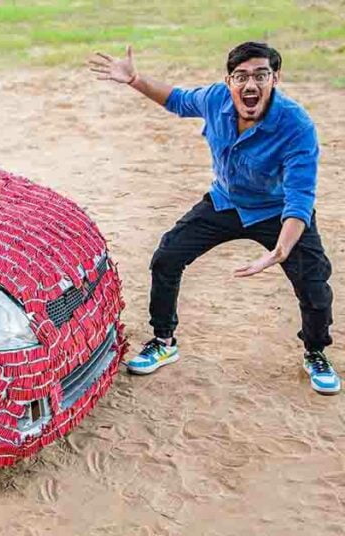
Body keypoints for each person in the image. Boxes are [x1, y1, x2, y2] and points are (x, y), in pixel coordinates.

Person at [88, 42, 339, 394]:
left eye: (261, 75)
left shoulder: (297, 127)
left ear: (275, 79)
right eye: (241, 76)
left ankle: (315, 353)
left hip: (277, 212)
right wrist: (135, 79)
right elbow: (176, 100)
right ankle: (163, 340)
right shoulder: (215, 100)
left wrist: (280, 250)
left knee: (313, 283)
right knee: (167, 257)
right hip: (225, 202)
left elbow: (300, 198)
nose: (250, 85)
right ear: (229, 80)